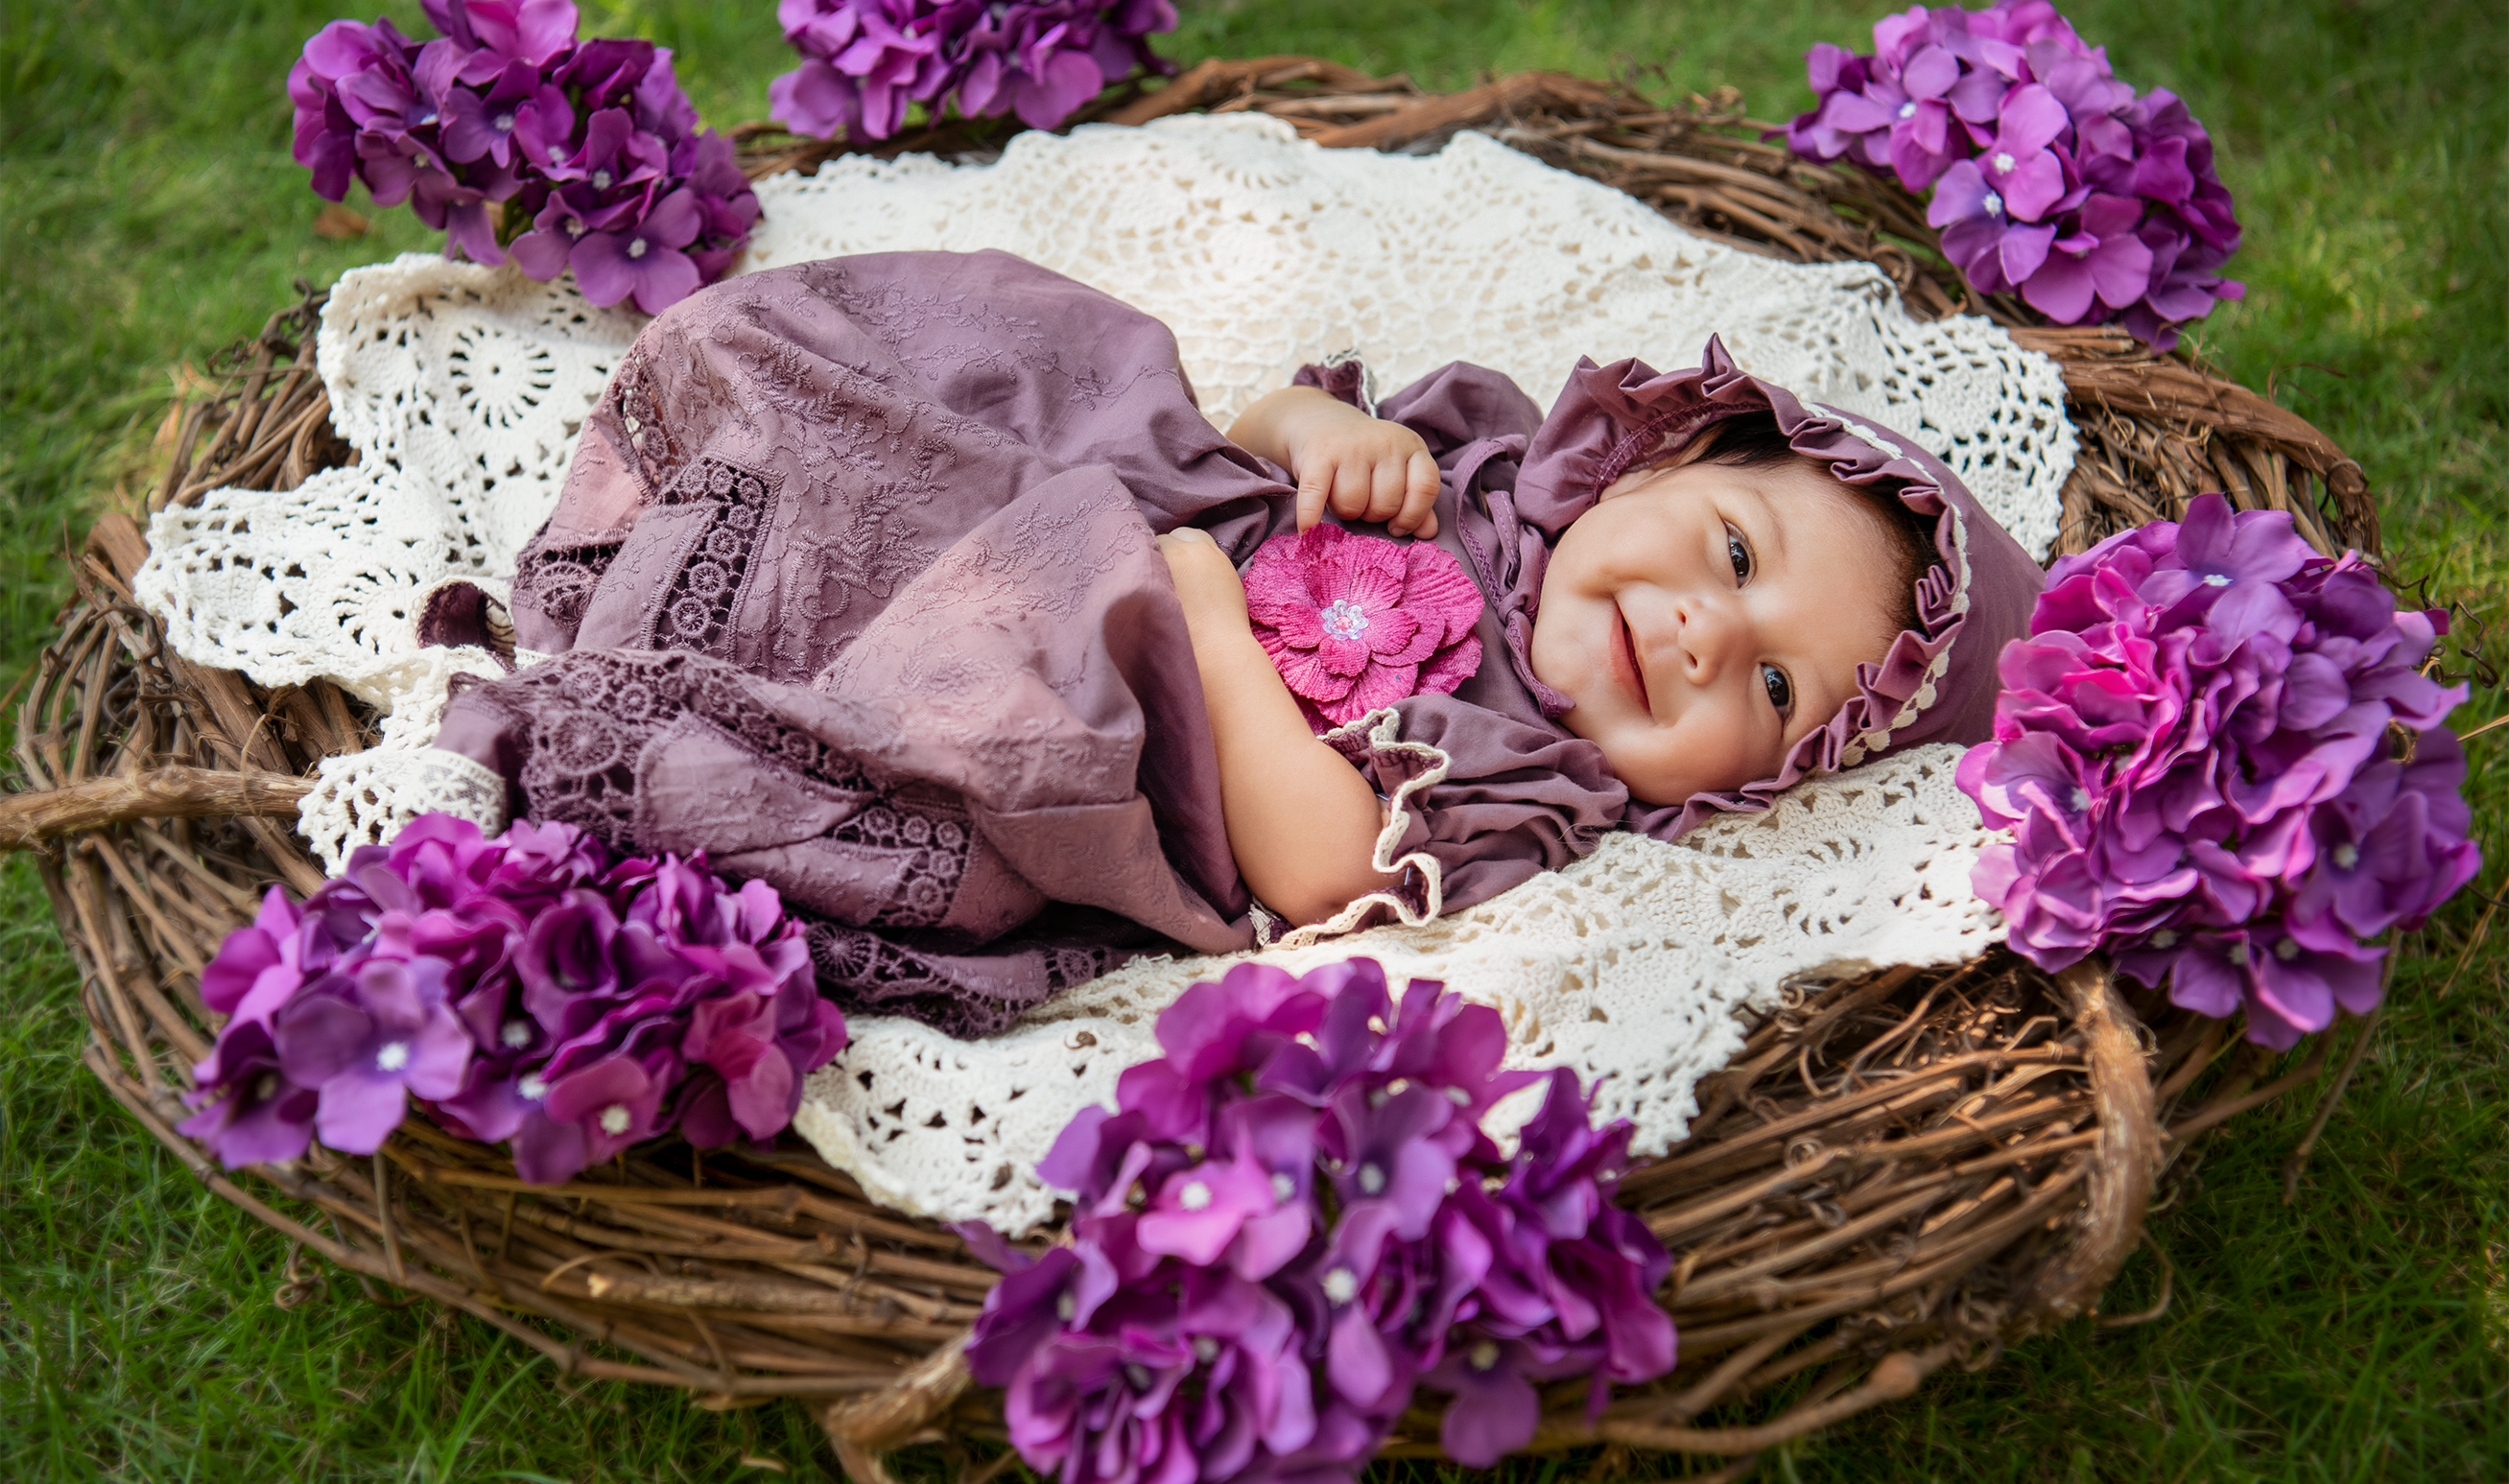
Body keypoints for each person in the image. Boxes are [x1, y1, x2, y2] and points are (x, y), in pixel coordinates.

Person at [429, 250, 2042, 1037]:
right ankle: (754, 485)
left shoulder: (1531, 781)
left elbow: (1328, 868)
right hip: (1119, 481)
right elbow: (1253, 432)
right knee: (990, 372)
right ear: (1659, 462)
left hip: (1122, 688)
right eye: (1737, 555)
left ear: (1771, 780)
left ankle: (716, 689)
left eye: (1772, 685)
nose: (1703, 631)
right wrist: (1315, 428)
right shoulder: (1484, 467)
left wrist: (1203, 621)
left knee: (1019, 612)